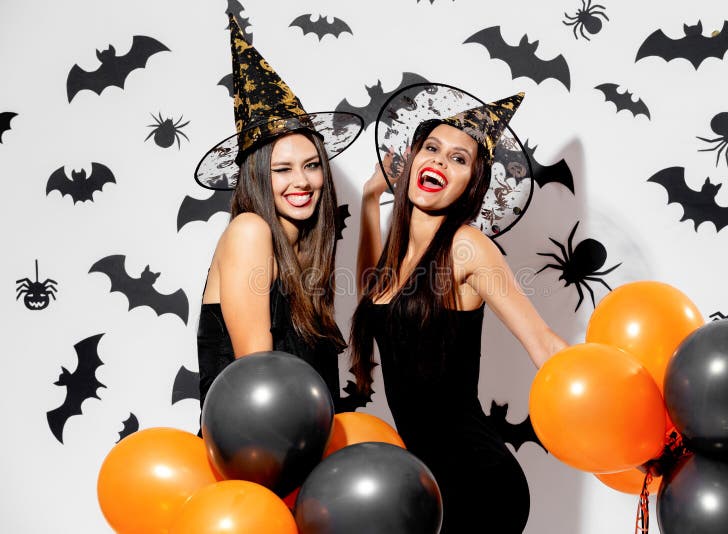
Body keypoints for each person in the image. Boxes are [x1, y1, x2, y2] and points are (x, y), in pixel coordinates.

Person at [350, 83, 568, 533]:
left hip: (478, 481)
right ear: (411, 160)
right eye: (432, 148)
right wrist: (372, 199)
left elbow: (542, 341)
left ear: (472, 184)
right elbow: (370, 294)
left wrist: (606, 408)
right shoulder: (398, 261)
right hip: (428, 484)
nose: (439, 161)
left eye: (458, 158)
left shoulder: (467, 247)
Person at [193, 16, 364, 421]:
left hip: (304, 448)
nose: (301, 181)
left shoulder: (306, 253)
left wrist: (371, 201)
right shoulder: (249, 231)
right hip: (258, 453)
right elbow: (259, 382)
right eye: (282, 169)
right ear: (256, 176)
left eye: (311, 165)